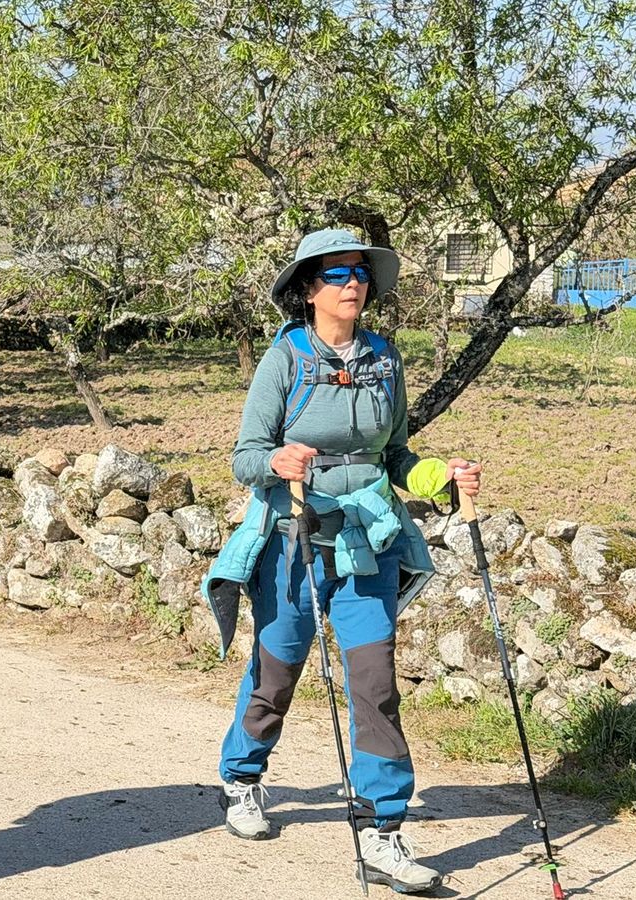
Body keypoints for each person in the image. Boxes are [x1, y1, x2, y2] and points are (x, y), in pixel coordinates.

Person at [202, 229, 481, 894]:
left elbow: (397, 456)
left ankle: (384, 832)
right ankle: (242, 779)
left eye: (358, 272)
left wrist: (444, 476)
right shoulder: (286, 359)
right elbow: (245, 456)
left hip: (367, 542)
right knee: (278, 671)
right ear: (307, 290)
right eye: (334, 274)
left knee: (374, 684)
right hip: (292, 538)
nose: (350, 283)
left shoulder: (385, 359)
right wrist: (276, 459)